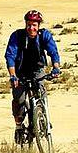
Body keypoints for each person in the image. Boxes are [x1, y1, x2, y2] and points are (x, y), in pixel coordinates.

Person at [4, 9, 61, 143]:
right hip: (20, 71)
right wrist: (13, 76)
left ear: (38, 25)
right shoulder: (17, 36)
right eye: (29, 25)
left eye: (34, 25)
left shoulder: (44, 35)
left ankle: (43, 118)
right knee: (19, 99)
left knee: (41, 91)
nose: (31, 28)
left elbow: (53, 52)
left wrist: (56, 68)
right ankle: (19, 126)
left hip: (37, 69)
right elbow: (10, 56)